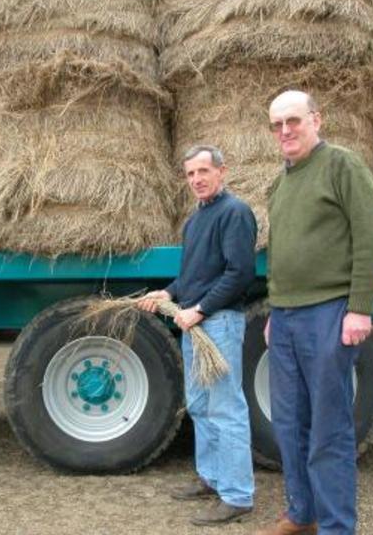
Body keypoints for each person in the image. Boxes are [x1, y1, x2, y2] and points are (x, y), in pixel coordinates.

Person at [254, 91, 373, 535]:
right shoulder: (281, 183)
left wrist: (360, 309)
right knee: (289, 424)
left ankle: (336, 526)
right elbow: (280, 256)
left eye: (293, 120)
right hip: (289, 318)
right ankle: (302, 513)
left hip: (330, 314)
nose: (285, 131)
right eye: (276, 125)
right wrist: (276, 308)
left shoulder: (341, 166)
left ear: (317, 120)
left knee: (328, 430)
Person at [138, 145, 257, 526]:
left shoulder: (235, 213)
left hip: (218, 323)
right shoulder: (194, 221)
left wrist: (200, 309)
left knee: (226, 407)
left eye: (203, 171)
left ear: (223, 171)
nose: (197, 180)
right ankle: (212, 478)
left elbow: (240, 274)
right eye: (190, 174)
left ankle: (237, 495)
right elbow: (194, 277)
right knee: (202, 405)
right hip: (197, 323)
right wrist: (170, 293)